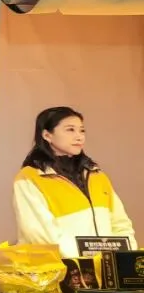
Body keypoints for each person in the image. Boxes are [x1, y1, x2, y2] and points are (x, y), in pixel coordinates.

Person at [14, 106, 136, 259]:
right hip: (62, 268)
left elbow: (120, 224)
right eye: (70, 130)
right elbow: (39, 234)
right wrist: (85, 262)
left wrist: (126, 258)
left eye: (82, 130)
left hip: (106, 269)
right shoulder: (30, 177)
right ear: (47, 135)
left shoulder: (96, 175)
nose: (79, 137)